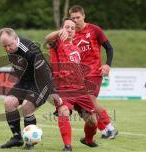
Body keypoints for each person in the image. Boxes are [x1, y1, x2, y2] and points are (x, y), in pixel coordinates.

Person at [45, 5, 118, 139]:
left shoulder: (94, 30)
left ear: (84, 16)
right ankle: (95, 129)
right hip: (77, 77)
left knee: (90, 98)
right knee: (81, 107)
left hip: (94, 71)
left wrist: (108, 64)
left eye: (78, 17)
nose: (76, 20)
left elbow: (109, 48)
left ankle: (108, 128)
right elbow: (51, 41)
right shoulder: (69, 34)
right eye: (73, 18)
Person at [0, 28, 61, 150]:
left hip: (40, 82)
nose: (7, 49)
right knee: (8, 103)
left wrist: (53, 92)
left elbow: (44, 72)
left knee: (27, 107)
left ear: (15, 38)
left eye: (9, 45)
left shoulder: (30, 50)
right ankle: (17, 138)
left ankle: (30, 142)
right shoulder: (11, 47)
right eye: (4, 46)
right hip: (24, 82)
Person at [48, 18, 99, 151]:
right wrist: (59, 32)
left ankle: (88, 140)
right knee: (63, 111)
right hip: (63, 89)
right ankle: (67, 145)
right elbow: (47, 38)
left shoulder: (77, 48)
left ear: (75, 31)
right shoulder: (57, 44)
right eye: (67, 27)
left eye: (72, 28)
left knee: (93, 121)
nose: (70, 30)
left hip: (80, 90)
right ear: (62, 28)